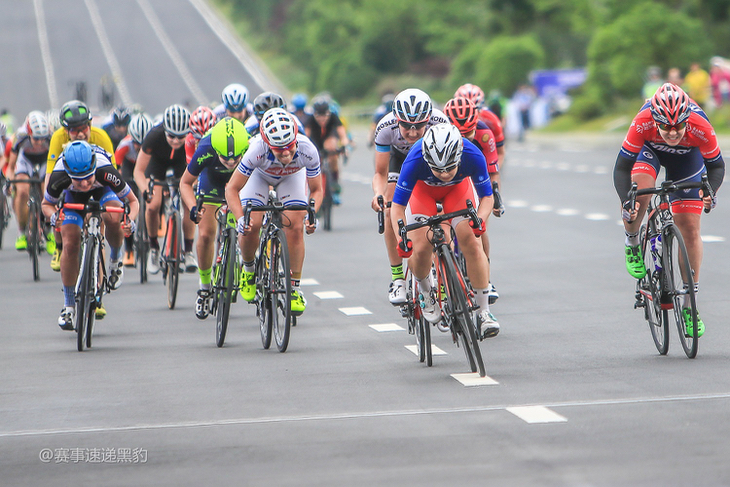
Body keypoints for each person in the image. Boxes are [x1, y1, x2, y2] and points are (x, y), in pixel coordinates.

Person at [614, 83, 724, 337]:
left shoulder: (700, 125)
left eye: (678, 126)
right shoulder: (642, 121)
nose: (673, 133)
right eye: (665, 126)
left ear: (687, 119)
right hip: (648, 151)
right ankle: (632, 242)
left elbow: (716, 167)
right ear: (655, 120)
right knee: (640, 192)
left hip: (687, 159)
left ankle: (689, 304)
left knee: (690, 228)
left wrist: (710, 192)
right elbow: (622, 169)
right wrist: (627, 201)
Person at [391, 123, 499, 338]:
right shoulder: (414, 159)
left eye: (450, 168)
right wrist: (402, 239)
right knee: (420, 248)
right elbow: (397, 208)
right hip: (423, 193)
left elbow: (487, 197)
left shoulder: (472, 154)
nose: (444, 174)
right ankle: (425, 292)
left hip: (457, 191)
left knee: (471, 242)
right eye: (437, 169)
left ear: (459, 156)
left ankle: (484, 312)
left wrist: (481, 219)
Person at [225, 108, 322, 316]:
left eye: (289, 146)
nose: (286, 153)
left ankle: (294, 288)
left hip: (292, 177)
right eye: (279, 150)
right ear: (268, 144)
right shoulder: (256, 150)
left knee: (295, 227)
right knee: (253, 224)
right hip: (259, 177)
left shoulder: (307, 149)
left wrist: (312, 214)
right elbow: (231, 189)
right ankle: (249, 270)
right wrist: (241, 219)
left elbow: (317, 190)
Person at [42, 141, 139, 330]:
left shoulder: (105, 170)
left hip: (104, 189)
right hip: (73, 199)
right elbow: (46, 204)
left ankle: (115, 258)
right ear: (69, 173)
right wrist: (54, 217)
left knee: (113, 216)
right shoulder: (59, 175)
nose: (85, 183)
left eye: (88, 177)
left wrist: (130, 221)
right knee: (70, 244)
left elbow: (133, 202)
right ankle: (68, 306)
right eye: (79, 180)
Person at [370, 88, 449, 305]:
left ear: (428, 120)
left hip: (430, 159)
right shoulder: (385, 127)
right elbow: (381, 173)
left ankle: (439, 266)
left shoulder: (441, 122)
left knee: (439, 210)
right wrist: (378, 193)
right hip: (399, 159)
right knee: (389, 209)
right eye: (406, 126)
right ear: (397, 120)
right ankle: (397, 279)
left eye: (419, 126)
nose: (413, 133)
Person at [180, 117, 249, 319]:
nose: (229, 163)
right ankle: (204, 287)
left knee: (252, 222)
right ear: (215, 151)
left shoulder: (250, 146)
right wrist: (193, 207)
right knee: (207, 233)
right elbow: (185, 183)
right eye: (225, 159)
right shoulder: (206, 148)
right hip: (212, 181)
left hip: (241, 182)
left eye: (235, 159)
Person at [46, 100, 116, 272]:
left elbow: (113, 174)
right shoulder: (58, 138)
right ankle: (59, 246)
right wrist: (51, 201)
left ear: (90, 125)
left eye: (84, 128)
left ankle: (98, 290)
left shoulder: (101, 137)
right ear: (65, 130)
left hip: (98, 183)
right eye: (74, 130)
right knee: (60, 214)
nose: (80, 134)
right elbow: (50, 175)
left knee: (101, 227)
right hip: (70, 183)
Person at [443, 96, 501, 303]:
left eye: (468, 133)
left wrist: (496, 198)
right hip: (447, 177)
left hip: (474, 172)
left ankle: (486, 276)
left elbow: (493, 172)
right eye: (459, 134)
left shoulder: (485, 133)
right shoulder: (438, 134)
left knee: (478, 225)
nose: (464, 139)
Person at [133, 104, 198, 274]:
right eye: (171, 136)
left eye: (181, 137)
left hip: (181, 165)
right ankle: (154, 248)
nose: (176, 141)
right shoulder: (154, 135)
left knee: (189, 203)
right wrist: (145, 189)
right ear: (164, 130)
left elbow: (197, 169)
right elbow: (138, 172)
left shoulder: (193, 139)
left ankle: (189, 251)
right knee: (153, 205)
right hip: (157, 165)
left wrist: (195, 186)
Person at [5, 111, 54, 252]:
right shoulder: (19, 137)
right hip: (25, 162)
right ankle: (21, 232)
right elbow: (11, 166)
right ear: (29, 133)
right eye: (36, 139)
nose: (39, 142)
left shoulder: (51, 136)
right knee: (22, 192)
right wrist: (10, 182)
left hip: (45, 162)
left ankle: (49, 232)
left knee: (48, 193)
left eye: (42, 139)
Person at [115, 112, 153, 266]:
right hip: (129, 168)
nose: (139, 147)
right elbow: (116, 169)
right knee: (126, 202)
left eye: (143, 145)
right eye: (137, 144)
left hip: (147, 166)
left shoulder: (153, 145)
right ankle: (129, 250)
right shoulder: (124, 145)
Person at [304, 95, 350, 205]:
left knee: (331, 147)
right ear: (314, 114)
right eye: (319, 117)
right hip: (315, 143)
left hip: (329, 140)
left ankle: (334, 181)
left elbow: (343, 135)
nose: (322, 120)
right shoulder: (310, 120)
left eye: (325, 116)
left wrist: (344, 145)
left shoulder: (334, 117)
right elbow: (305, 138)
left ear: (329, 113)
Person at [455, 83, 506, 169]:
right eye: (464, 113)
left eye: (475, 111)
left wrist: (494, 173)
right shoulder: (447, 120)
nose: (470, 117)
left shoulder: (491, 119)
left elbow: (500, 153)